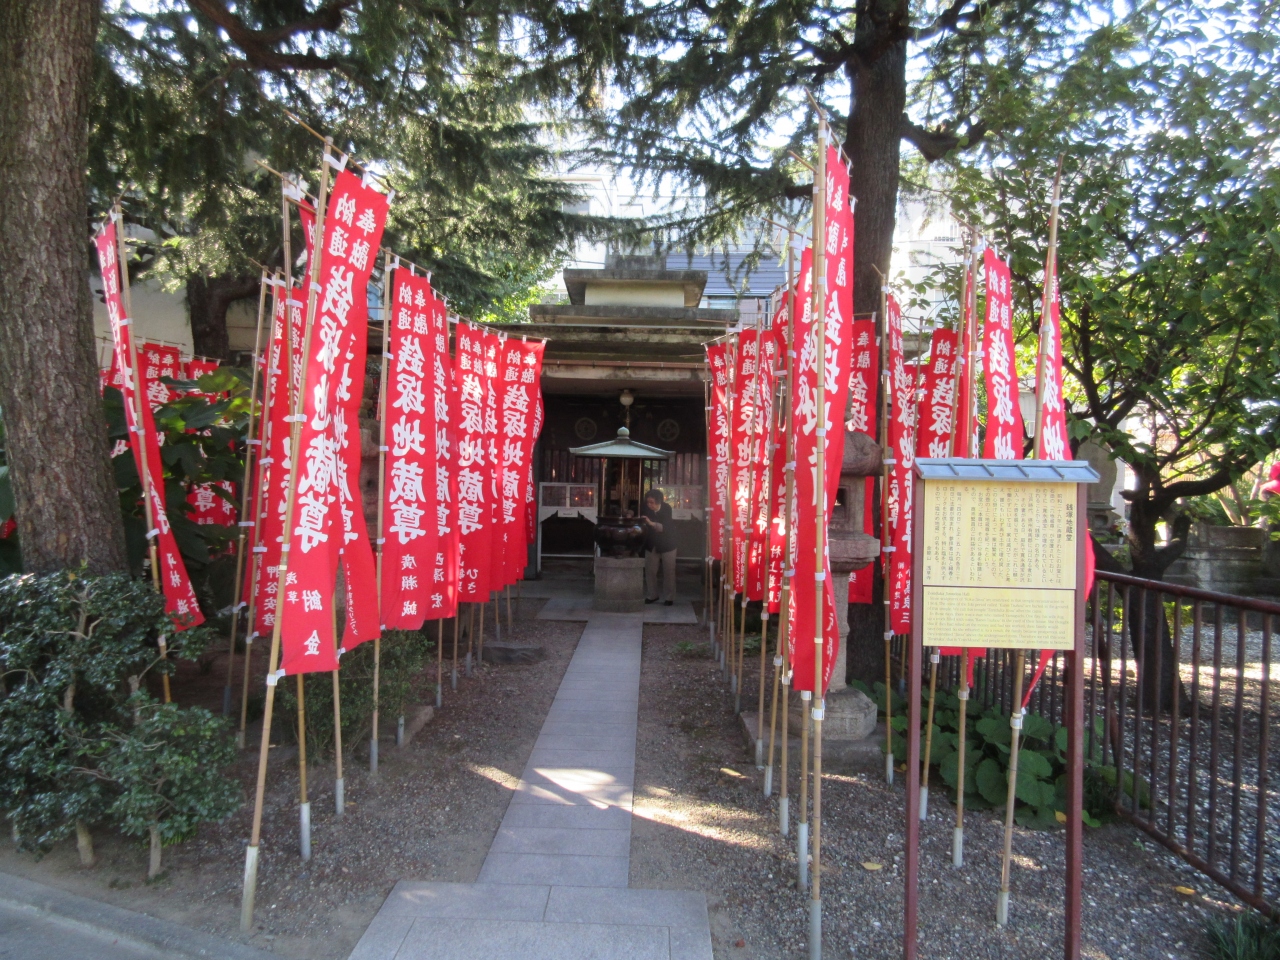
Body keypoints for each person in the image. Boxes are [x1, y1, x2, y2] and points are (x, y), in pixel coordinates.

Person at [640, 488, 677, 605]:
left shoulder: (666, 508)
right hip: (651, 543)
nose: (649, 505)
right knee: (650, 571)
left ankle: (669, 597)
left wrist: (651, 523)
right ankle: (652, 595)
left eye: (652, 502)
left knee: (669, 571)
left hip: (668, 544)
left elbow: (666, 527)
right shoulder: (645, 508)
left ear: (659, 501)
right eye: (648, 502)